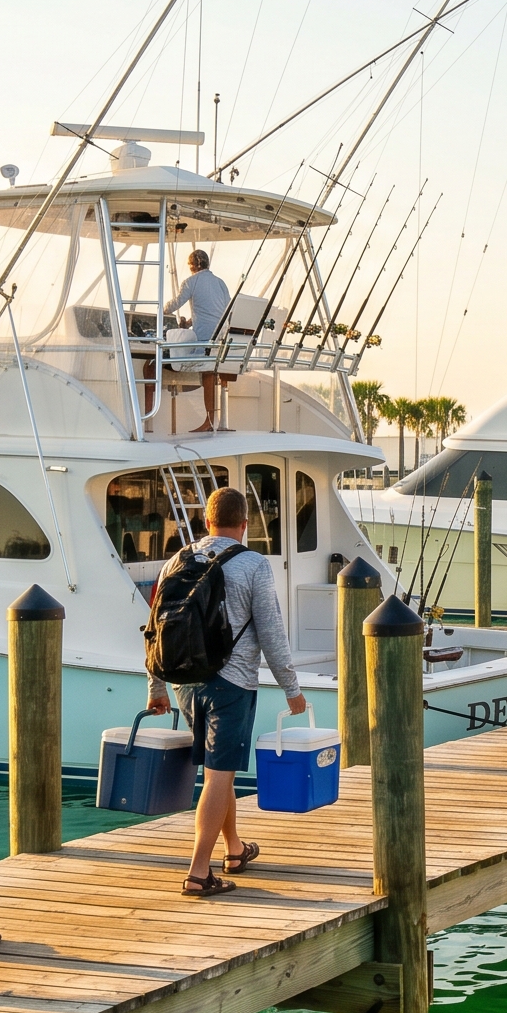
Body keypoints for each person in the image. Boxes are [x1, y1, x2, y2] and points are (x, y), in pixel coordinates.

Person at [147, 487, 310, 895]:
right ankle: (199, 871)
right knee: (220, 775)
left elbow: (154, 628)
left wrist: (157, 686)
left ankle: (234, 849)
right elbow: (271, 633)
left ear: (206, 522)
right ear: (246, 524)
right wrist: (292, 690)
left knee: (219, 771)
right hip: (232, 683)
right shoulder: (253, 564)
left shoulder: (176, 561)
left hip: (185, 683)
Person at [163, 248, 234, 433]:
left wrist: (160, 310)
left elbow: (175, 305)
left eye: (189, 265)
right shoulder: (220, 283)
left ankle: (209, 421)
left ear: (193, 265)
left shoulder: (190, 282)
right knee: (213, 371)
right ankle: (218, 421)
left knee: (207, 373)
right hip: (221, 335)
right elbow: (218, 310)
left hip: (204, 337)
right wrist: (189, 322)